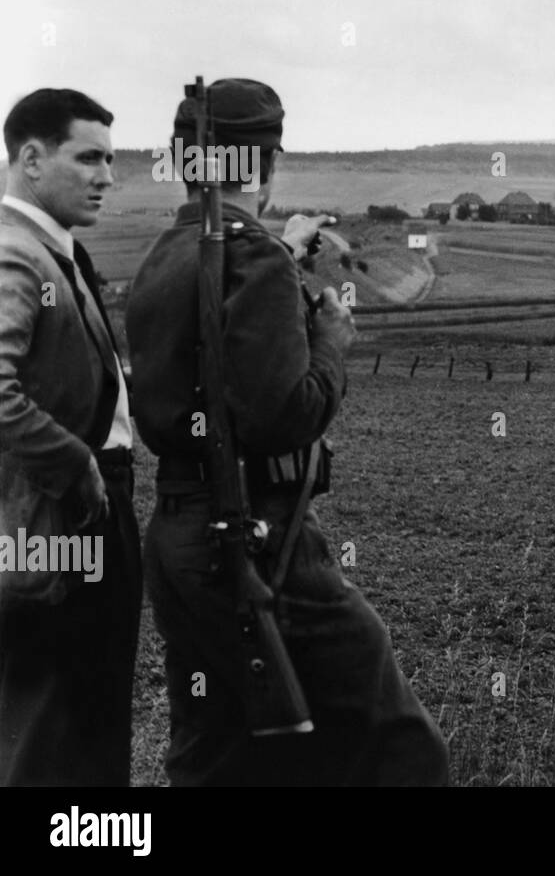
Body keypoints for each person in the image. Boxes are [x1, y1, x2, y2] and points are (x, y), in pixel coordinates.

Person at [126, 77, 448, 786]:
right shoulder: (257, 259)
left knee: (220, 756)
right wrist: (331, 342)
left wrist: (273, 249)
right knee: (400, 747)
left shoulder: (162, 257)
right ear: (268, 164)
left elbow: (214, 345)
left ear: (185, 159)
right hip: (259, 539)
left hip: (178, 540)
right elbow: (282, 415)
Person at [0, 88, 141, 786]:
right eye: (88, 157)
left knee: (85, 710)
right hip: (58, 514)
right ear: (30, 157)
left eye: (110, 160)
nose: (107, 177)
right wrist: (76, 459)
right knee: (57, 726)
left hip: (75, 510)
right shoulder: (18, 254)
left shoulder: (54, 249)